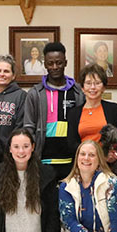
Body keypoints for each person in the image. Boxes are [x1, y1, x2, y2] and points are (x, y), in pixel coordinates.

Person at [23, 42, 84, 180]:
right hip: (43, 161)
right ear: (45, 64)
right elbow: (28, 127)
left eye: (59, 63)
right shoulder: (35, 94)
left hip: (73, 162)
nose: (55, 67)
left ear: (65, 63)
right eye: (50, 63)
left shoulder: (78, 92)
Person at [67, 63, 117, 170]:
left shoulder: (114, 109)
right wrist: (94, 156)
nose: (93, 87)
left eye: (97, 83)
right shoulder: (74, 113)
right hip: (84, 168)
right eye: (88, 83)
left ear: (103, 87)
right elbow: (71, 144)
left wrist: (116, 155)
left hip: (111, 169)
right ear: (82, 88)